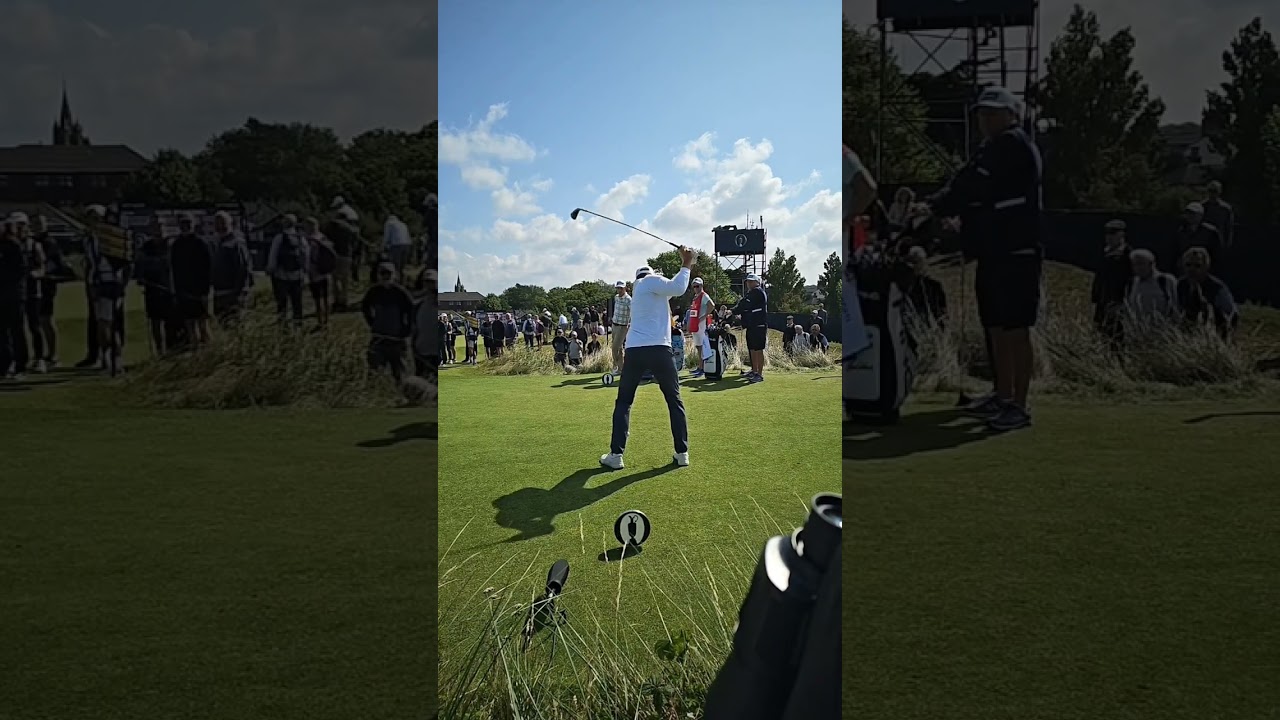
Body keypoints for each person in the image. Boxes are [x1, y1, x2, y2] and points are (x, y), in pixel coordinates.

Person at [927, 86, 1043, 432]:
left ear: (1011, 115)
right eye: (982, 113)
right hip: (994, 251)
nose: (985, 119)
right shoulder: (991, 148)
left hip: (1016, 250)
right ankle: (1003, 394)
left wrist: (934, 206)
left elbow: (970, 187)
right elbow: (967, 185)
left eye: (993, 112)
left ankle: (1017, 406)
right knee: (995, 324)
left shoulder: (1012, 144)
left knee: (1014, 328)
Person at [599, 249, 696, 470]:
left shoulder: (642, 290)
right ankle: (682, 453)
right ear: (650, 275)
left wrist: (682, 265)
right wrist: (687, 261)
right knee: (674, 401)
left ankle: (616, 455)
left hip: (635, 351)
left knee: (624, 402)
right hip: (660, 350)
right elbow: (678, 287)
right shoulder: (650, 280)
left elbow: (671, 289)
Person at [361, 262, 414, 382]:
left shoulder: (401, 293)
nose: (386, 276)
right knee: (374, 371)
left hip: (397, 339)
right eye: (382, 273)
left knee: (400, 373)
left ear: (394, 275)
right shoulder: (373, 291)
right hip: (378, 337)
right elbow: (365, 307)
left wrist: (407, 330)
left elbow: (411, 312)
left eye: (388, 273)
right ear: (378, 275)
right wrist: (372, 323)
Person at [169, 214, 213, 349]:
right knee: (190, 324)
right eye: (183, 223)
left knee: (203, 324)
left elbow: (209, 268)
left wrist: (206, 291)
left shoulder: (201, 243)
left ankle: (210, 352)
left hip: (200, 291)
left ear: (193, 224)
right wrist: (175, 290)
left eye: (188, 223)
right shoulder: (176, 245)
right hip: (183, 291)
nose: (185, 226)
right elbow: (173, 269)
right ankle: (196, 355)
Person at [1176, 247, 1238, 340]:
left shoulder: (1217, 288)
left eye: (1197, 266)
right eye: (1188, 265)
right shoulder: (1180, 285)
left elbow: (1229, 313)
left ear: (1206, 267)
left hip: (1212, 336)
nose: (1192, 269)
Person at [0, 214, 32, 380]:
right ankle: (4, 365)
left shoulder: (13, 245)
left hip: (14, 295)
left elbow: (20, 271)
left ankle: (21, 365)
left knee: (17, 330)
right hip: (2, 295)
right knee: (2, 333)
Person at [1091, 219, 1132, 348]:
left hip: (1119, 303)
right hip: (1103, 303)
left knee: (1119, 339)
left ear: (1122, 235)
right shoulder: (1104, 253)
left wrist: (1123, 302)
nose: (1109, 237)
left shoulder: (1128, 255)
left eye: (1113, 233)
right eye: (1107, 233)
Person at [135, 226, 174, 357]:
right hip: (152, 290)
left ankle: (171, 350)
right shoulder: (145, 248)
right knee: (156, 323)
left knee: (172, 323)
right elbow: (139, 268)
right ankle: (160, 352)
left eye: (161, 230)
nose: (159, 233)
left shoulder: (171, 246)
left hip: (169, 289)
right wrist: (141, 277)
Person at [210, 212, 253, 325]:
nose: (219, 227)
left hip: (233, 293)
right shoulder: (217, 243)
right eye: (216, 224)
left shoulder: (236, 243)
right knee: (223, 323)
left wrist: (238, 292)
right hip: (219, 292)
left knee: (235, 324)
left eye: (222, 223)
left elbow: (243, 269)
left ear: (230, 224)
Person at [266, 214, 309, 328]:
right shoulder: (301, 238)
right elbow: (305, 255)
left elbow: (273, 255)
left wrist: (270, 269)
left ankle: (282, 325)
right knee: (297, 302)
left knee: (282, 303)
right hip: (297, 275)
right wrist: (305, 271)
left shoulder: (279, 237)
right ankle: (298, 325)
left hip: (282, 275)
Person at [732, 273, 769, 383]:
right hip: (752, 325)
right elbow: (743, 304)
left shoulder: (757, 291)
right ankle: (754, 370)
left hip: (759, 325)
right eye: (748, 281)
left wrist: (733, 311)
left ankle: (759, 374)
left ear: (757, 282)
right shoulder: (751, 293)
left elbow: (744, 304)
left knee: (758, 349)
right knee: (752, 348)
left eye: (751, 281)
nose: (749, 283)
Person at [1125, 248, 1178, 322]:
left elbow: (1176, 304)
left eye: (1141, 264)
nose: (1138, 268)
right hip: (1139, 329)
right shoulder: (1132, 283)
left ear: (1151, 264)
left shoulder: (1165, 280)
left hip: (1163, 328)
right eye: (1135, 264)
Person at [323, 206, 359, 311]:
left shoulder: (330, 227)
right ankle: (344, 301)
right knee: (344, 280)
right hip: (346, 255)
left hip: (333, 254)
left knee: (334, 279)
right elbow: (355, 241)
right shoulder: (350, 229)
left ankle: (336, 301)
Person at [303, 217, 335, 328]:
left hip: (314, 272)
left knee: (317, 299)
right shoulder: (324, 238)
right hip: (326, 272)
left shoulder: (307, 239)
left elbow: (307, 257)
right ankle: (327, 320)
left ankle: (320, 321)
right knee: (326, 297)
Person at [686, 277, 714, 377]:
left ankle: (702, 368)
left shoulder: (704, 295)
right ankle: (700, 366)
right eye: (694, 286)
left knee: (702, 346)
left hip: (701, 325)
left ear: (701, 286)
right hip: (695, 325)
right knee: (698, 346)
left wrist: (704, 316)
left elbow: (711, 305)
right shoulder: (696, 296)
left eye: (697, 286)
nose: (696, 288)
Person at [1201, 181, 1234, 252]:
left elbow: (1229, 227)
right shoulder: (1202, 206)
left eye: (1214, 191)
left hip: (1219, 241)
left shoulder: (1226, 208)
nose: (1212, 194)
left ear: (1219, 192)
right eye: (1210, 191)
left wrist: (1228, 243)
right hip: (1205, 241)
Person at [608, 280, 631, 373]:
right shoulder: (616, 297)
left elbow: (632, 312)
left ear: (625, 288)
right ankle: (621, 368)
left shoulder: (629, 299)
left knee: (615, 347)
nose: (619, 290)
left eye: (621, 288)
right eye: (618, 288)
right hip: (614, 324)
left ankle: (615, 366)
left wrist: (630, 323)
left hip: (623, 326)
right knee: (619, 348)